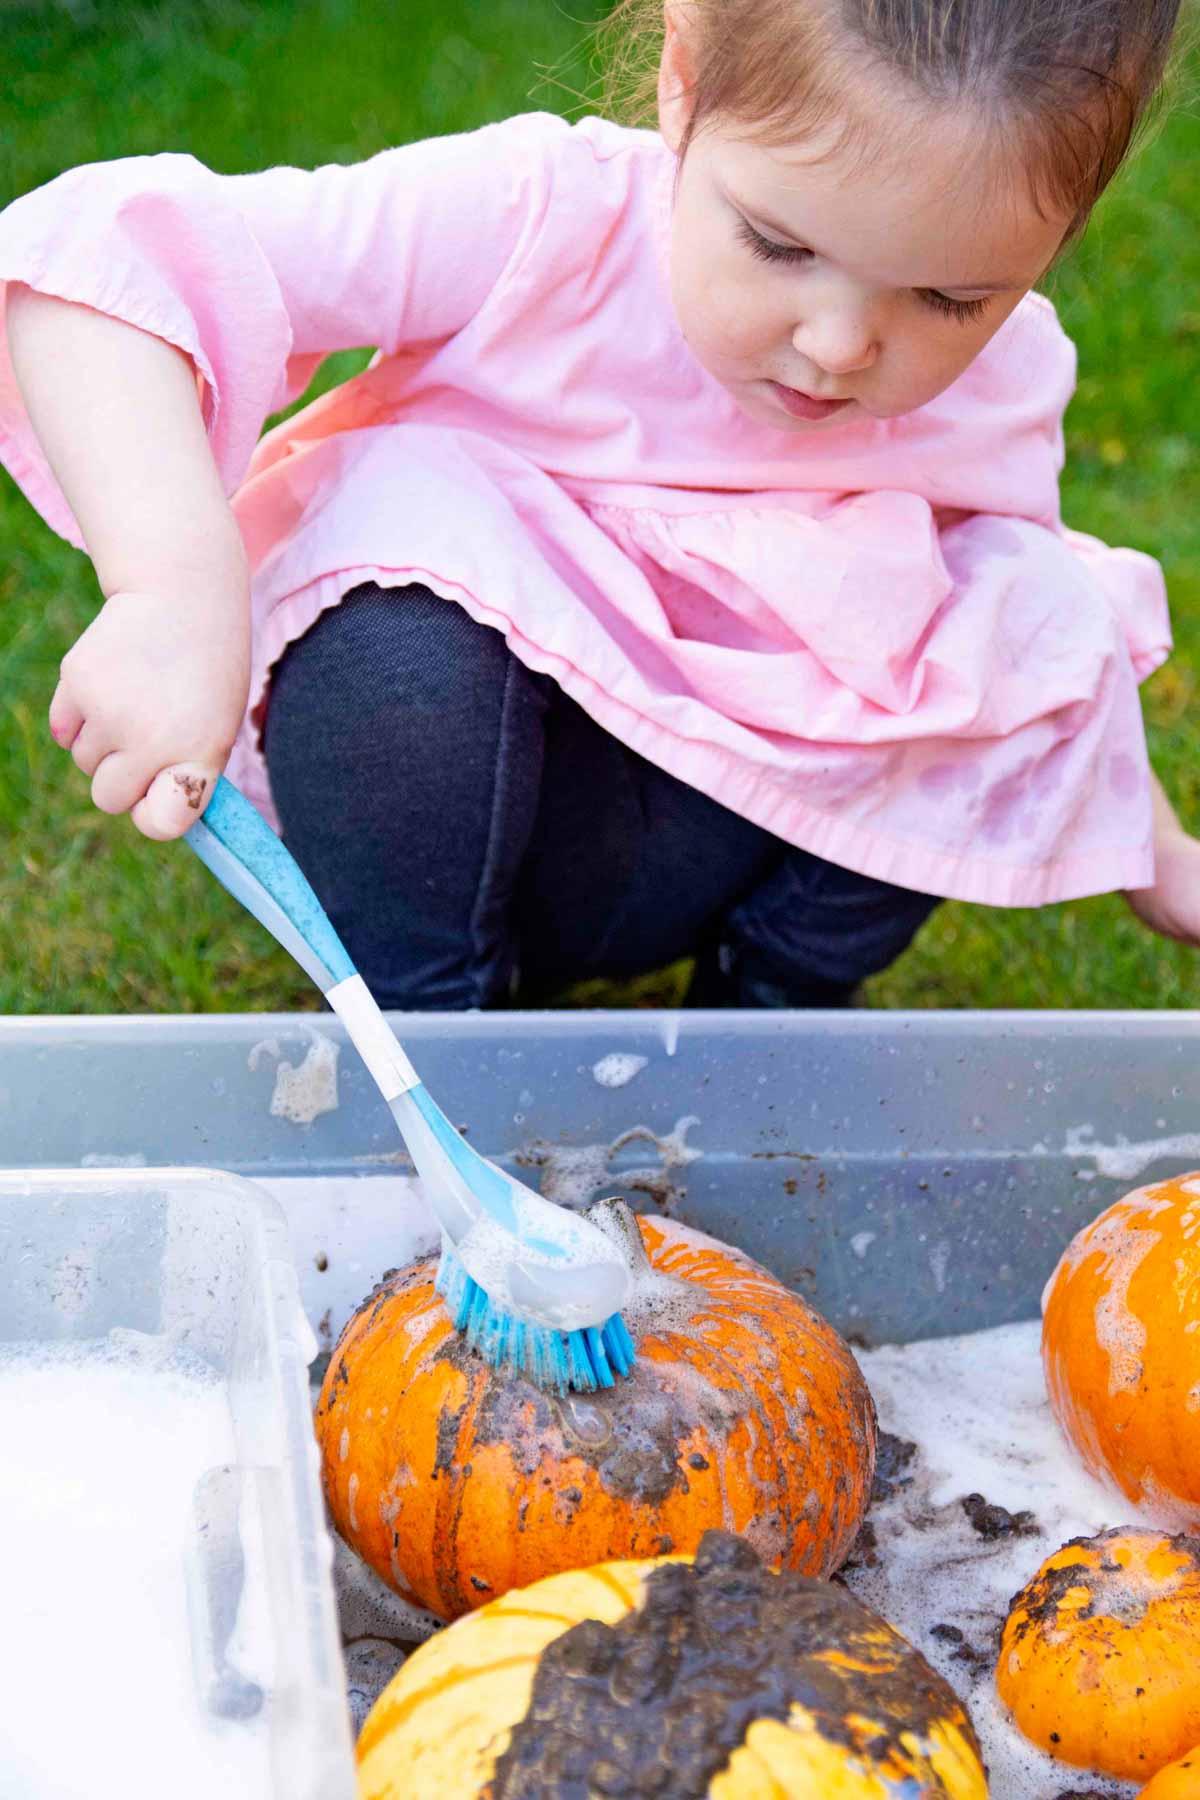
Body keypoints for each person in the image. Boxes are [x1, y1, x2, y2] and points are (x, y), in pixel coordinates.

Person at [0, 0, 1192, 1009]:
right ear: (681, 90)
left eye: (947, 296)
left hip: (731, 832)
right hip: (440, 797)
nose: (837, 346)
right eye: (778, 245)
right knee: (408, 553)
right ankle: (434, 1044)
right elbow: (107, 263)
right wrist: (171, 588)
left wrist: (1150, 841)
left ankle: (761, 1032)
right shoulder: (542, 223)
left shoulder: (1009, 376)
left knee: (1019, 601)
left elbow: (1034, 640)